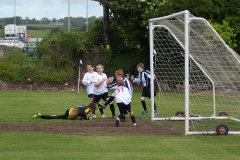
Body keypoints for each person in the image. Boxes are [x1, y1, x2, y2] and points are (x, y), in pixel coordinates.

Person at [31, 103, 96, 120]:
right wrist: (86, 118)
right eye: (92, 110)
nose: (92, 111)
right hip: (69, 115)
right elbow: (83, 113)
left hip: (69, 110)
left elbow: (80, 110)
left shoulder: (84, 106)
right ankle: (41, 115)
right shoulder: (87, 109)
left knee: (56, 116)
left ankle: (40, 116)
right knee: (55, 117)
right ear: (90, 108)